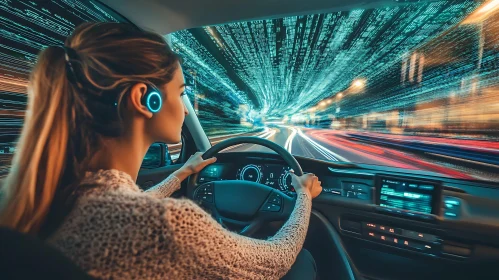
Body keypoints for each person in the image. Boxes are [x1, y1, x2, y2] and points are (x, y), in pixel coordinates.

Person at [0, 22, 322, 279]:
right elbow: (277, 259)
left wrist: (182, 173)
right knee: (304, 263)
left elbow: (131, 210)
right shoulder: (167, 227)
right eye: (180, 93)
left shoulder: (60, 199)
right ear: (145, 99)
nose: (185, 109)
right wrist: (304, 195)